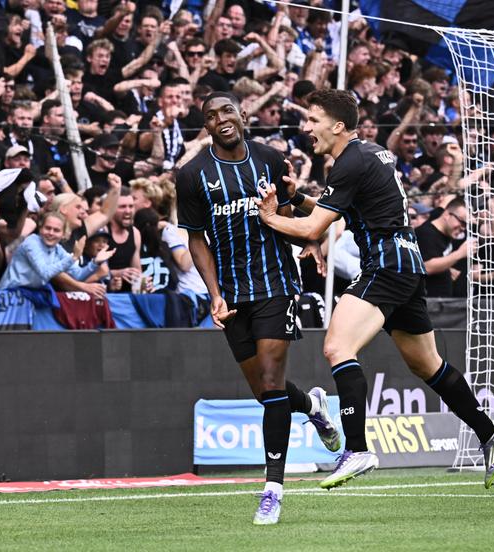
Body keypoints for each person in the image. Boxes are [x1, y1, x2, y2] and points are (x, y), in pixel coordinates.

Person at [255, 89, 494, 491]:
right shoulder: (369, 154)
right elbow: (334, 209)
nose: (306, 127)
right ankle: (490, 434)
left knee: (338, 348)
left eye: (313, 120)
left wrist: (270, 216)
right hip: (406, 263)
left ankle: (356, 449)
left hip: (386, 263)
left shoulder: (349, 163)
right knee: (427, 365)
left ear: (337, 126)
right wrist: (295, 197)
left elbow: (311, 228)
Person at [175, 91, 337, 525]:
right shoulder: (192, 175)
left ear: (242, 114)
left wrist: (310, 240)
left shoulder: (269, 157)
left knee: (270, 378)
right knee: (269, 393)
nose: (220, 119)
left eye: (226, 110)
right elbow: (195, 238)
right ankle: (313, 407)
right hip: (232, 293)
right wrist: (214, 293)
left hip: (275, 284)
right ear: (205, 127)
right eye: (210, 116)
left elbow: (287, 207)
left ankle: (272, 491)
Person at [0, 212, 115, 290]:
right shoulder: (32, 242)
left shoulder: (58, 249)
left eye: (56, 230)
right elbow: (45, 273)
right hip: (8, 296)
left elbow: (78, 276)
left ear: (63, 234)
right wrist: (73, 257)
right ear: (40, 228)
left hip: (28, 298)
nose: (51, 233)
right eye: (47, 228)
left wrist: (95, 262)